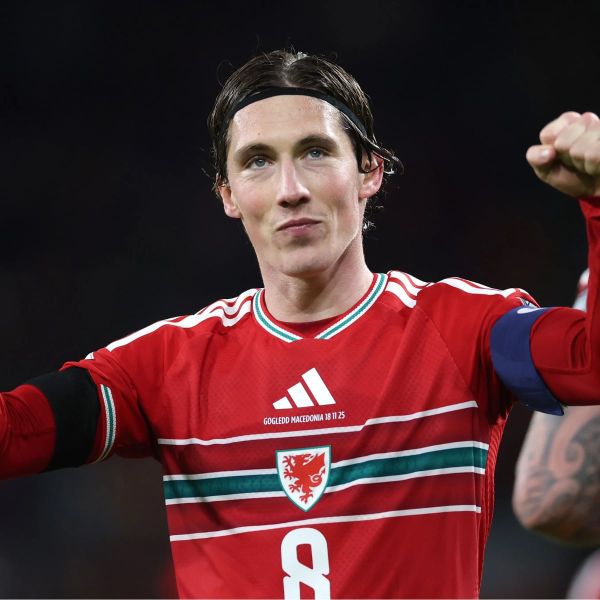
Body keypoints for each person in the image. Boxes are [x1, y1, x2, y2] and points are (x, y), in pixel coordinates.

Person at [1, 49, 599, 598]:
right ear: (228, 194)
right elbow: (14, 432)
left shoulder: (462, 327)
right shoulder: (168, 364)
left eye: (315, 152)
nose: (290, 190)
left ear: (369, 171)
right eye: (258, 161)